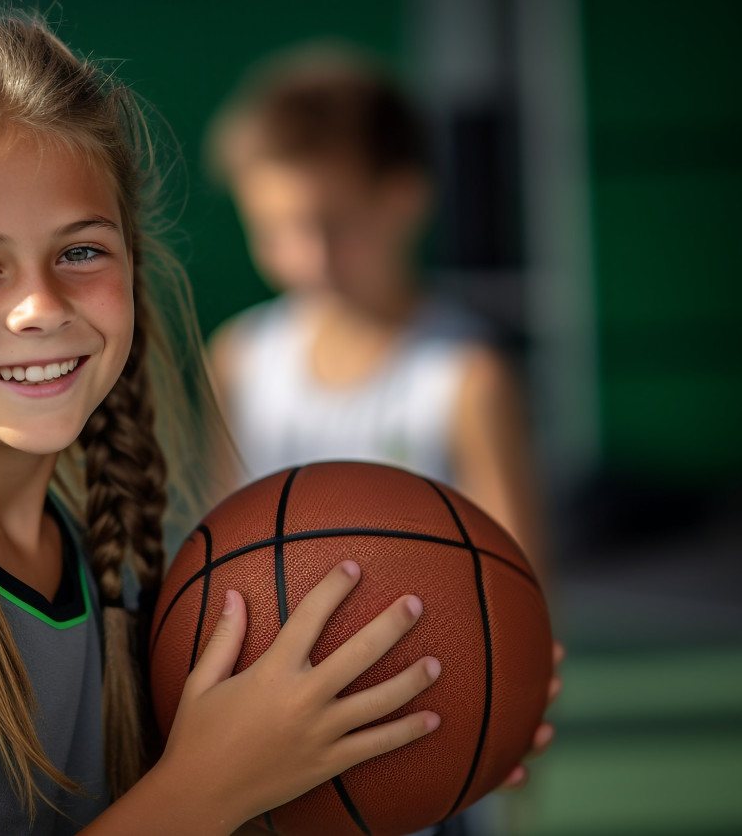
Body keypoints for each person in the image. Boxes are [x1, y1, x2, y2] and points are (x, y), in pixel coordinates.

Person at [0, 2, 555, 835]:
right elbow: (185, 806)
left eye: (79, 250)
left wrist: (406, 741)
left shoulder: (82, 553)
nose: (38, 305)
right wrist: (208, 788)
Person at [206, 43, 547, 582]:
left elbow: (520, 586)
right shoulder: (238, 358)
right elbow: (220, 562)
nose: (309, 257)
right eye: (275, 230)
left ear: (404, 199)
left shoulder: (468, 378)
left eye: (334, 224)